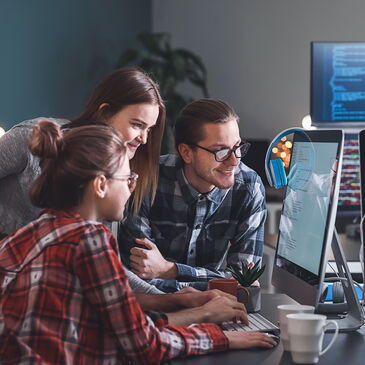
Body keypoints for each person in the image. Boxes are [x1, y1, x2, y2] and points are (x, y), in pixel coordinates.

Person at [0, 121, 275, 364]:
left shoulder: (32, 231)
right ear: (100, 185)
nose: (133, 187)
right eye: (128, 178)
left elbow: (117, 310)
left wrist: (181, 301)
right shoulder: (89, 240)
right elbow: (145, 345)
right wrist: (221, 337)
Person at [0, 67, 241, 311]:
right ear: (105, 113)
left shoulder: (113, 181)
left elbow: (108, 271)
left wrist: (176, 302)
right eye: (137, 124)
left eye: (150, 129)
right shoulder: (30, 138)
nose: (144, 139)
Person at [119, 98, 266, 292]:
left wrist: (170, 270)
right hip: (156, 310)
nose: (234, 161)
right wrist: (217, 284)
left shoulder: (249, 188)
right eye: (221, 151)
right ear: (187, 153)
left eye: (237, 147)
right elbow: (139, 281)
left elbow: (246, 282)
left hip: (216, 309)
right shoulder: (147, 181)